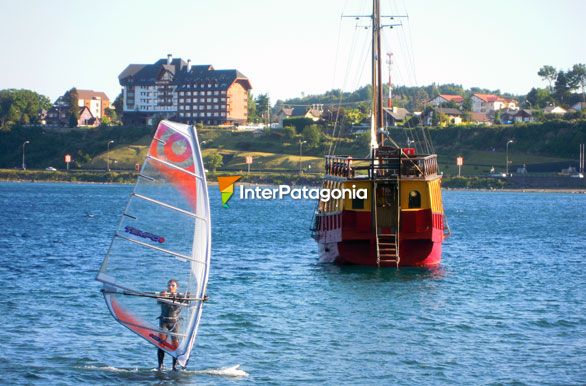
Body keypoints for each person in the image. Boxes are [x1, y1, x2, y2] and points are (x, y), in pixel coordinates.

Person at [157, 279, 189, 370]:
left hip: (175, 323)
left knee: (175, 345)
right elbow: (158, 301)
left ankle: (174, 367)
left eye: (173, 286)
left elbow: (189, 301)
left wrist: (202, 297)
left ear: (176, 287)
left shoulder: (180, 296)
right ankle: (160, 365)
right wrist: (161, 296)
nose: (170, 287)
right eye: (169, 285)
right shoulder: (163, 294)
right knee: (161, 344)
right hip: (164, 322)